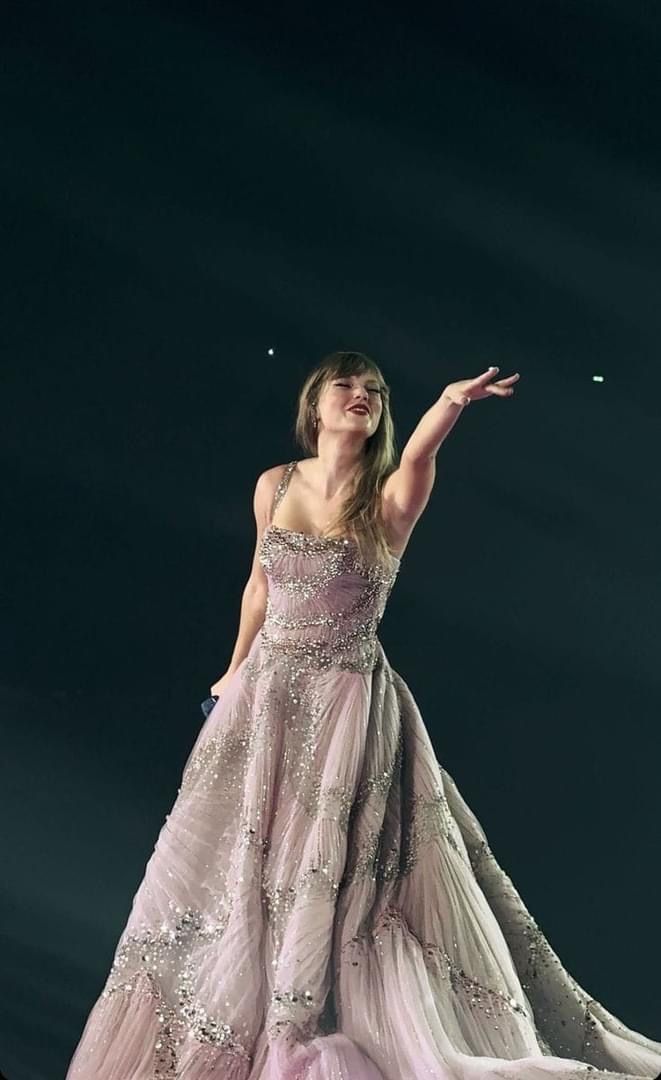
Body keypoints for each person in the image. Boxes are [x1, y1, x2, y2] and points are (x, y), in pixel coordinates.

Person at [66, 351, 660, 1080]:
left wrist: (449, 404)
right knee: (240, 862)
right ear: (314, 405)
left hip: (349, 700)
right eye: (346, 386)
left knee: (343, 875)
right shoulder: (274, 484)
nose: (361, 397)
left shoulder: (392, 494)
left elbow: (419, 450)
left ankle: (315, 1017)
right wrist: (232, 669)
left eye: (374, 391)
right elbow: (258, 583)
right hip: (267, 694)